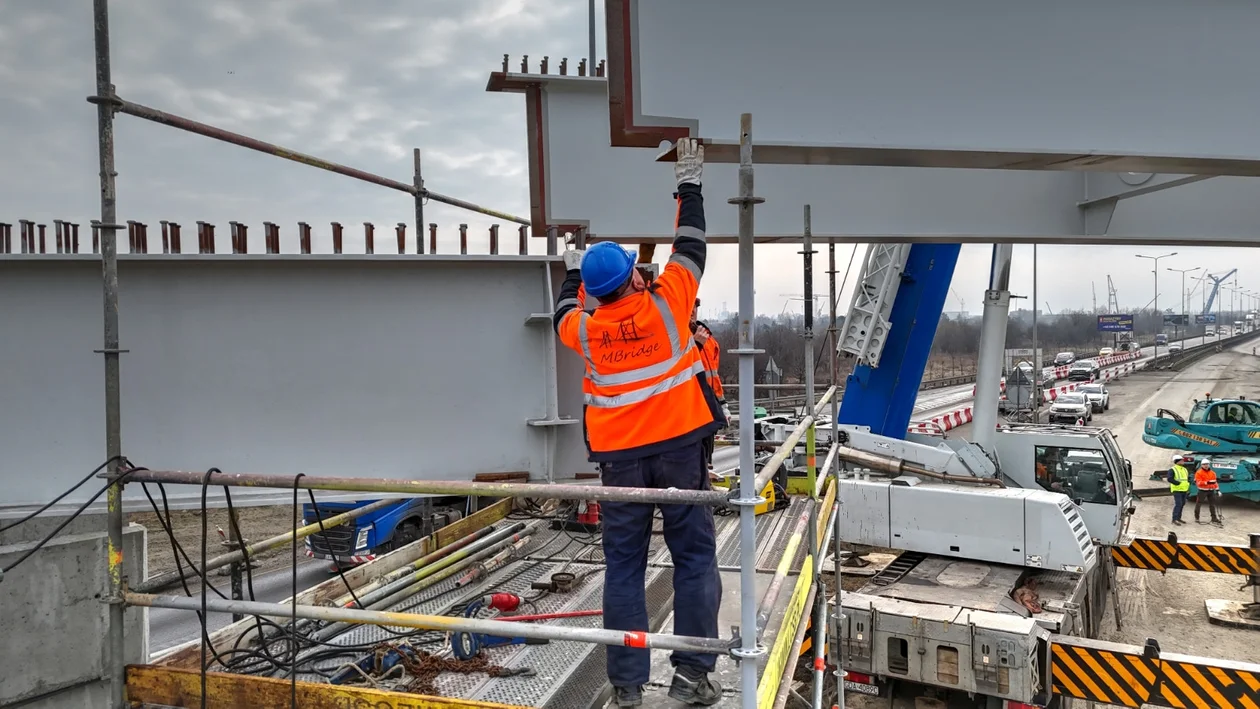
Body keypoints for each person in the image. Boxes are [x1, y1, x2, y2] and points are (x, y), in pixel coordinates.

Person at [553, 137, 724, 707]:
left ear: (595, 295)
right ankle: (692, 677)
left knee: (623, 568)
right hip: (679, 451)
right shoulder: (669, 302)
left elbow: (561, 312)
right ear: (634, 276)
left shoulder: (586, 330)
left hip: (620, 461)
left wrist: (572, 270)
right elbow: (692, 244)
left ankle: (627, 688)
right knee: (694, 558)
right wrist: (689, 183)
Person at [690, 299, 730, 474]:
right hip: (686, 410)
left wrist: (723, 406)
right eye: (687, 304)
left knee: (705, 461)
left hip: (707, 408)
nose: (692, 310)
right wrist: (695, 345)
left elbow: (714, 378)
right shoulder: (675, 336)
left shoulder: (710, 340)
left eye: (695, 306)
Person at [1194, 459, 1222, 525]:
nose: (1206, 466)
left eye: (1207, 464)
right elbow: (1198, 483)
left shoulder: (1213, 473)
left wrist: (1218, 490)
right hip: (1202, 491)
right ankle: (1197, 518)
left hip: (1211, 491)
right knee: (1199, 504)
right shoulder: (1198, 473)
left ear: (1209, 465)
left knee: (1212, 505)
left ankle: (1214, 518)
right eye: (1204, 464)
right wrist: (1207, 482)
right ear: (1201, 465)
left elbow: (1215, 483)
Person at [1169, 455, 1192, 525]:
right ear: (1177, 461)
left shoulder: (1184, 469)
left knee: (1182, 503)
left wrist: (1188, 485)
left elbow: (1186, 479)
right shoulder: (1172, 469)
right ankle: (1174, 519)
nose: (1183, 461)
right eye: (1181, 460)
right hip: (1177, 489)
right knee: (1178, 504)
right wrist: (1178, 483)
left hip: (1184, 489)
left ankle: (1178, 518)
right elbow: (1169, 478)